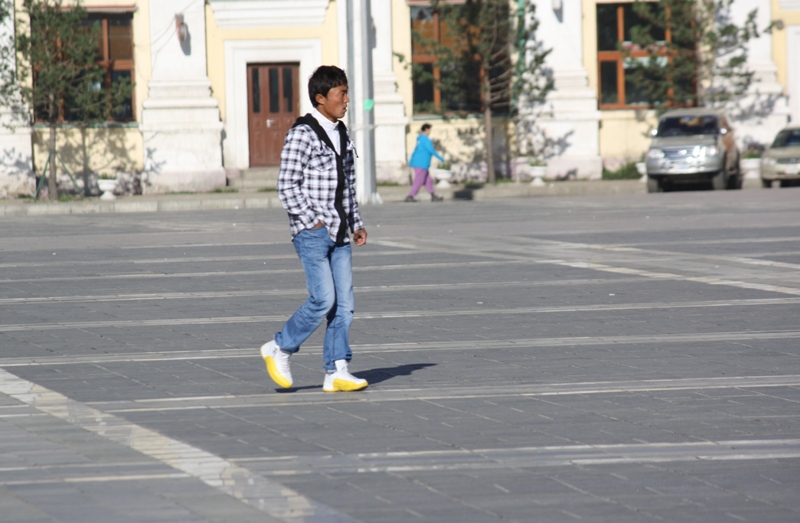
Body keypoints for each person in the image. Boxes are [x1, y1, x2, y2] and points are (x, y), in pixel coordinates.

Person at [260, 65, 368, 393]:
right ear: (321, 99)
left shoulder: (342, 133)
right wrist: (312, 221)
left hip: (340, 232)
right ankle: (279, 347)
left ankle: (337, 370)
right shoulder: (302, 133)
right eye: (341, 94)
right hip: (312, 232)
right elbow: (286, 185)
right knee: (323, 299)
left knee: (344, 305)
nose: (347, 100)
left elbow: (347, 186)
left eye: (347, 93)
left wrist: (357, 223)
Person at [406, 123, 445, 202]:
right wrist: (441, 158)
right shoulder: (425, 139)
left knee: (428, 180)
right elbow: (431, 150)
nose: (430, 131)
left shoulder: (420, 138)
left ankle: (433, 195)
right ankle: (411, 195)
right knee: (419, 180)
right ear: (426, 129)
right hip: (421, 162)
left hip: (420, 162)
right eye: (429, 129)